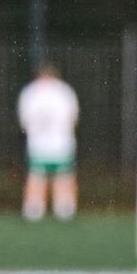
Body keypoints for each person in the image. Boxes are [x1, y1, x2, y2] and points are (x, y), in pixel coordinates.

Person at [18, 62, 79, 220]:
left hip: (39, 143)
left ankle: (34, 210)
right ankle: (64, 209)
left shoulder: (30, 91)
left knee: (38, 177)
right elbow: (73, 118)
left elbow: (24, 120)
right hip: (61, 143)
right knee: (62, 176)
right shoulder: (65, 91)